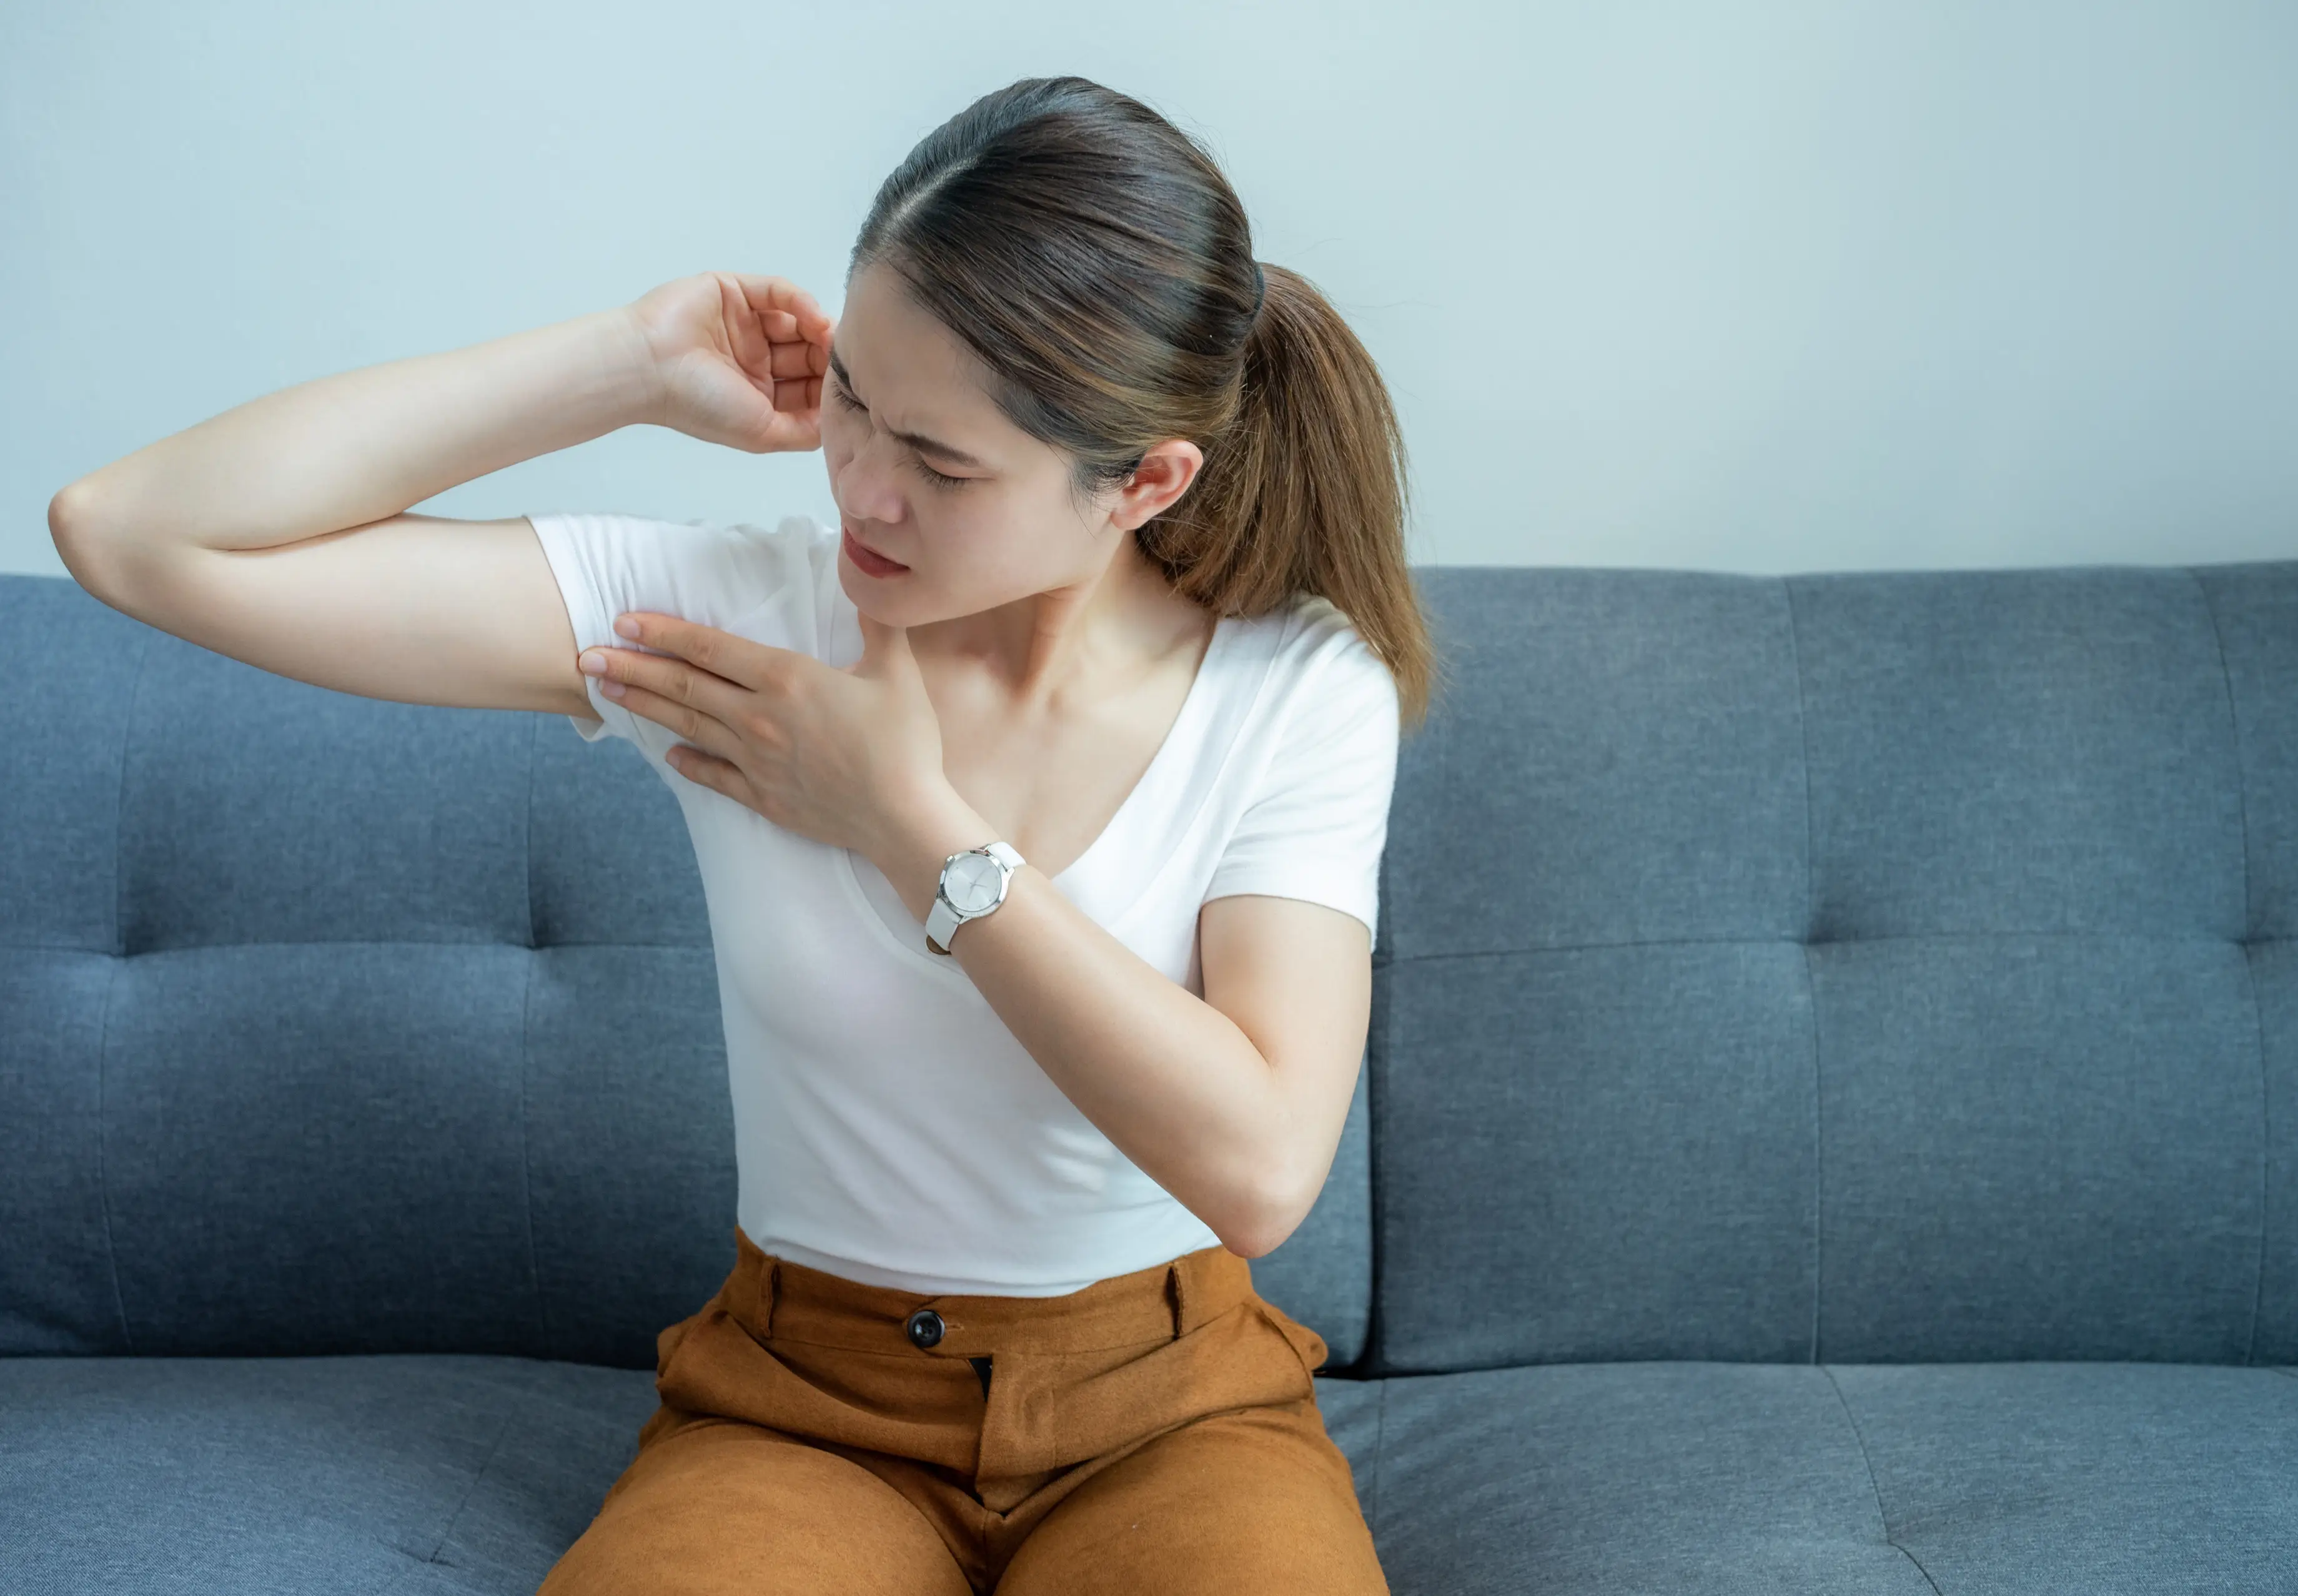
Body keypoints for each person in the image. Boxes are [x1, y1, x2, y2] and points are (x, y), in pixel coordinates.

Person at [49, 74, 1432, 1595]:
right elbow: (133, 531)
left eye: (944, 462)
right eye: (852, 397)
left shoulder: (1294, 684)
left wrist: (906, 819)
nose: (861, 486)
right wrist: (624, 363)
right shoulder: (733, 625)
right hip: (805, 1407)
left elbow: (1258, 1167)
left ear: (1144, 481)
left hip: (1173, 1410)